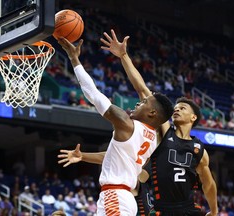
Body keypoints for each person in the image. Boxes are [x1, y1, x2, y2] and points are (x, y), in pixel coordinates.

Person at [100, 29, 218, 216]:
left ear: (193, 118)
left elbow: (208, 183)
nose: (177, 109)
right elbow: (142, 89)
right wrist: (123, 56)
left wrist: (214, 210)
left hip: (187, 209)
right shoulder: (165, 132)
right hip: (161, 209)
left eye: (183, 108)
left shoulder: (198, 149)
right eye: (176, 107)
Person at [57, 37, 174, 215]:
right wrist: (83, 157)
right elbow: (114, 156)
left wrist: (75, 59)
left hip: (116, 196)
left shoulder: (127, 124)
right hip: (121, 197)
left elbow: (93, 95)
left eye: (143, 103)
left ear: (152, 113)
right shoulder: (152, 141)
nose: (137, 103)